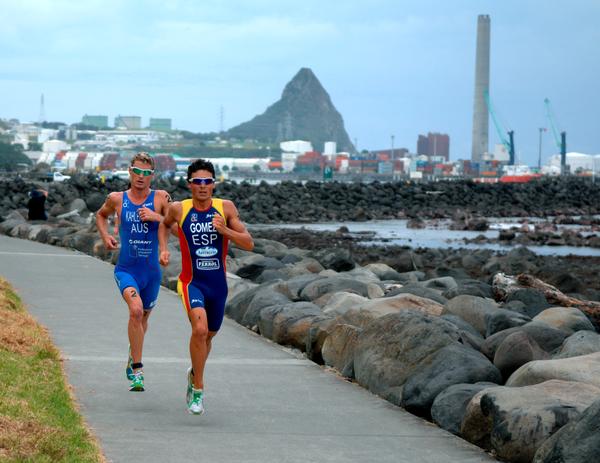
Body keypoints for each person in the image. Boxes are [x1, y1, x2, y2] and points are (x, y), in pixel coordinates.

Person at [158, 159, 254, 414]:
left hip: (217, 285)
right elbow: (164, 225)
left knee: (208, 335)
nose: (203, 186)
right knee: (199, 330)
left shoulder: (226, 208)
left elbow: (248, 243)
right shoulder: (180, 208)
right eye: (198, 181)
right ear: (190, 184)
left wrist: (226, 231)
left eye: (207, 181)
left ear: (213, 184)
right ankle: (198, 389)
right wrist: (165, 249)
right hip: (192, 282)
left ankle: (193, 372)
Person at [96, 152, 172, 392]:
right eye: (136, 171)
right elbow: (101, 215)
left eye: (146, 173)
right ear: (129, 171)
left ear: (152, 176)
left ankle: (132, 353)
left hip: (151, 273)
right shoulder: (117, 198)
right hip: (126, 269)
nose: (140, 177)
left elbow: (175, 227)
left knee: (143, 317)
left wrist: (156, 218)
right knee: (136, 311)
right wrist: (106, 235)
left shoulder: (161, 198)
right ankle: (137, 370)